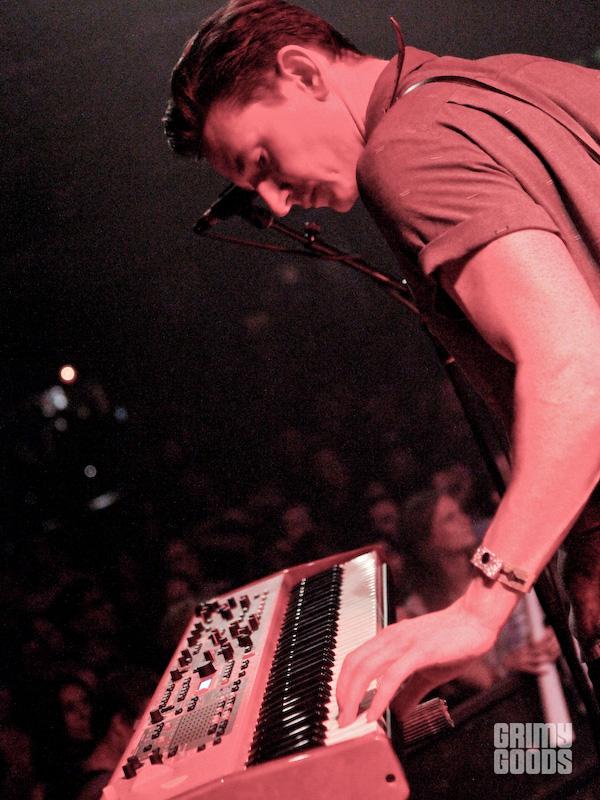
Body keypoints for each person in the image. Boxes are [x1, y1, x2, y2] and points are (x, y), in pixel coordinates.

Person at [163, 0, 600, 724]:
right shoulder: (513, 78)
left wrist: (480, 608)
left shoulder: (403, 151)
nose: (274, 201)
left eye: (261, 161)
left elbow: (578, 369)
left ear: (303, 73)